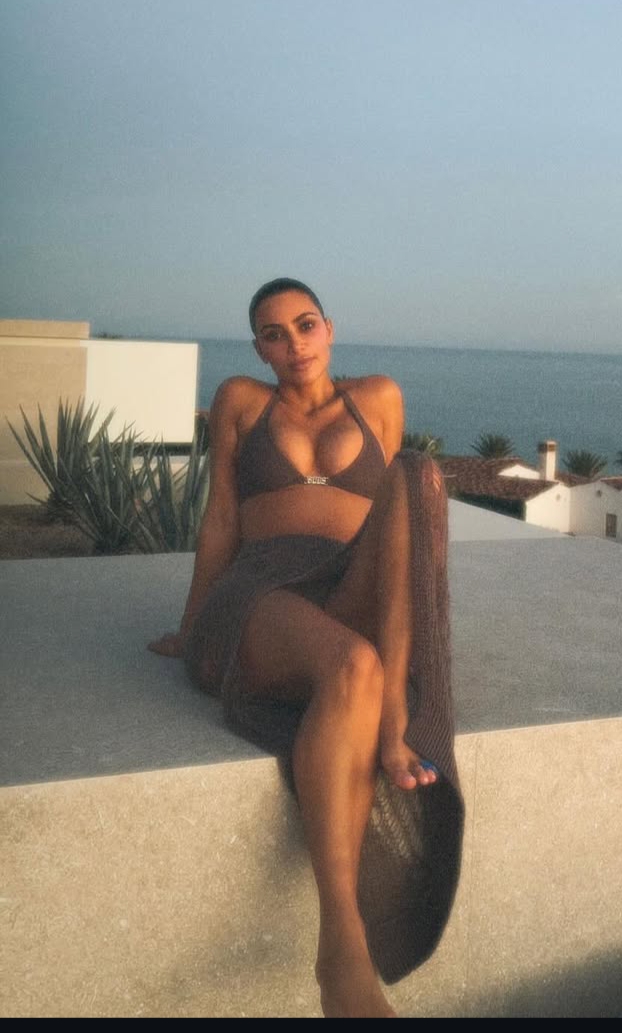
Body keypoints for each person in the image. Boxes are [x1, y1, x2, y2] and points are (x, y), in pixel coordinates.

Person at [149, 278, 462, 1017]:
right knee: (351, 663)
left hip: (343, 583)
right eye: (273, 334)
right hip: (261, 592)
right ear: (258, 348)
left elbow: (395, 535)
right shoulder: (241, 401)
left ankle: (391, 712)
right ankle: (341, 951)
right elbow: (221, 520)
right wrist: (192, 627)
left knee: (417, 474)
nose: (293, 344)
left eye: (305, 324)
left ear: (330, 328)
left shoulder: (377, 397)